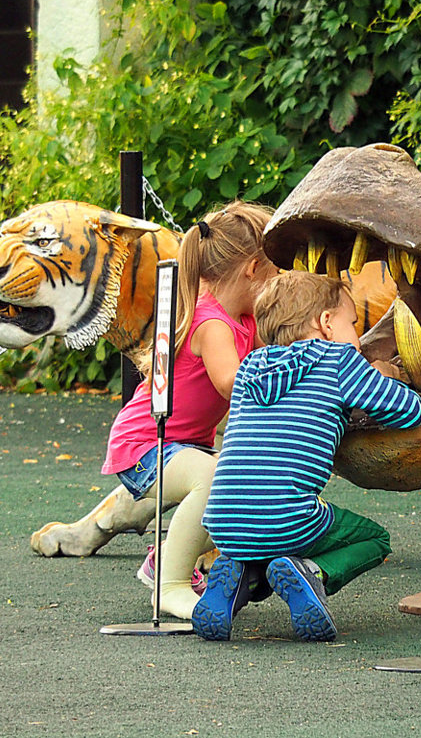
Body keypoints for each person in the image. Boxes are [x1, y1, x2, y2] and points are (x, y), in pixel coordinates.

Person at [193, 271, 421, 641]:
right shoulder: (338, 360)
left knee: (262, 550)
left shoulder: (251, 366)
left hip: (224, 520)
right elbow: (407, 411)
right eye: (353, 324)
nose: (357, 338)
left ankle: (234, 582)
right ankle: (313, 573)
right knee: (375, 539)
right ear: (326, 323)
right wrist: (389, 375)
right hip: (289, 517)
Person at [100, 201, 277, 620]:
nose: (280, 280)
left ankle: (164, 559)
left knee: (248, 480)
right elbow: (231, 383)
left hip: (182, 445)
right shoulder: (212, 322)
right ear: (253, 269)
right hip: (145, 445)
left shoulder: (244, 318)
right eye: (277, 270)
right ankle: (170, 585)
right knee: (214, 478)